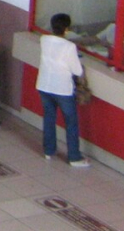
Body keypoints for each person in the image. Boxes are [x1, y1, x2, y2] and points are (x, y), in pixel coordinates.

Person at [38, 13, 91, 167]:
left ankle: (48, 151)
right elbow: (76, 70)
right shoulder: (69, 47)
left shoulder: (44, 40)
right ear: (67, 29)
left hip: (44, 85)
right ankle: (74, 157)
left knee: (49, 118)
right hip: (62, 89)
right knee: (71, 122)